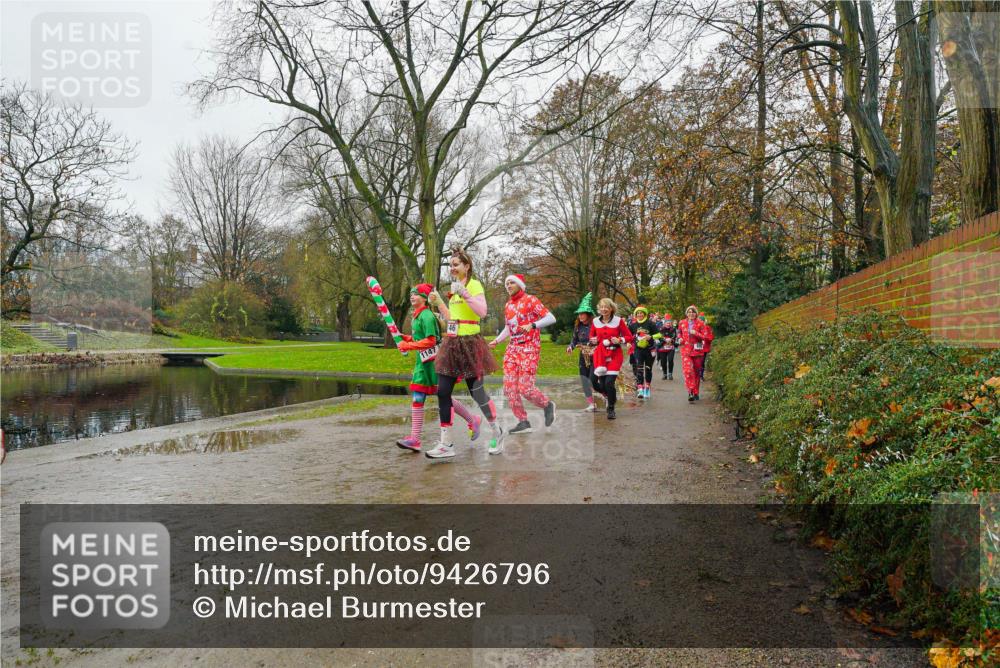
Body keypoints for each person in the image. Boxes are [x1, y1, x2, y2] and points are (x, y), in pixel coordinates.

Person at [426, 247, 503, 459]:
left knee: (477, 393)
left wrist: (464, 292)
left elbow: (482, 312)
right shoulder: (453, 288)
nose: (452, 268)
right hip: (452, 344)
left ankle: (497, 431)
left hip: (471, 344)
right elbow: (453, 318)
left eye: (456, 265)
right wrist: (439, 303)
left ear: (466, 266)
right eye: (450, 265)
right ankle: (446, 443)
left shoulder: (474, 284)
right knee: (442, 392)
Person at [395, 283, 482, 452]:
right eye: (411, 294)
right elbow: (419, 337)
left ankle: (472, 419)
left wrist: (408, 346)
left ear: (425, 299)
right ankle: (415, 439)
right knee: (418, 397)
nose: (412, 296)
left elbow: (431, 340)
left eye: (416, 294)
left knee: (443, 396)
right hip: (422, 364)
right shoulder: (417, 316)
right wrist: (406, 338)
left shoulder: (427, 315)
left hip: (434, 362)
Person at [489, 274, 557, 434]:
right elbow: (508, 328)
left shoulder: (531, 300)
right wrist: (497, 341)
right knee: (510, 389)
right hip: (513, 349)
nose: (508, 285)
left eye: (512, 282)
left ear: (520, 285)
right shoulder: (508, 305)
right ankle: (523, 421)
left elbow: (551, 318)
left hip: (530, 348)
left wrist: (533, 325)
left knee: (525, 388)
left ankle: (548, 405)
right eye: (506, 283)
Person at [589, 298, 633, 420]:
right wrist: (593, 340)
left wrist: (620, 340)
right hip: (600, 355)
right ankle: (609, 396)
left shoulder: (618, 321)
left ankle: (611, 408)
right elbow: (592, 336)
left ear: (611, 308)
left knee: (609, 383)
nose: (604, 309)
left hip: (614, 355)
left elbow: (629, 336)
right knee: (595, 382)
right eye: (601, 307)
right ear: (599, 309)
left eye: (606, 307)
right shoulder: (595, 321)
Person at [566, 293, 598, 412]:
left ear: (588, 314)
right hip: (583, 356)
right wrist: (570, 347)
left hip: (595, 356)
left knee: (592, 379)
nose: (580, 316)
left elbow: (602, 339)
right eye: (579, 314)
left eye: (582, 313)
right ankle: (591, 404)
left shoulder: (596, 325)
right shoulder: (578, 327)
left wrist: (595, 345)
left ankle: (605, 396)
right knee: (584, 380)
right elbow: (574, 340)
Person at [677, 304, 711, 401]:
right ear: (686, 313)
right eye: (689, 312)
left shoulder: (700, 323)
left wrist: (696, 333)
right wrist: (679, 338)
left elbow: (706, 337)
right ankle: (690, 391)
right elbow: (679, 332)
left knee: (696, 372)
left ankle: (696, 392)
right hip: (685, 350)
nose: (691, 314)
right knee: (688, 371)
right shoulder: (682, 322)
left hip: (697, 351)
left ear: (696, 314)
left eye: (693, 312)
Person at [628, 305, 661, 400]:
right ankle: (640, 389)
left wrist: (651, 337)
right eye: (637, 313)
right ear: (635, 315)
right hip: (638, 350)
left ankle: (647, 387)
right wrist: (628, 343)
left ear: (645, 314)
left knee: (648, 369)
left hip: (650, 349)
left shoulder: (650, 323)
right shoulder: (633, 325)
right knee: (639, 368)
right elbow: (628, 336)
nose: (639, 314)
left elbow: (659, 334)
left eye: (641, 313)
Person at [658, 314, 678, 380]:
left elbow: (675, 337)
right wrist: (664, 339)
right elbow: (659, 337)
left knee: (670, 360)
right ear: (664, 323)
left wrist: (671, 339)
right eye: (667, 323)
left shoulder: (673, 329)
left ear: (671, 323)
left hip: (670, 347)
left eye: (669, 323)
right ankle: (664, 374)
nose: (668, 324)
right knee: (663, 362)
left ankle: (670, 374)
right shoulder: (661, 329)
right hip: (662, 348)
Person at [698, 313, 715, 380]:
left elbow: (711, 337)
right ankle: (696, 374)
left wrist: (705, 338)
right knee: (696, 361)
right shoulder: (695, 327)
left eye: (702, 321)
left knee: (702, 361)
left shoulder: (708, 328)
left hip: (704, 347)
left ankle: (701, 375)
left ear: (704, 322)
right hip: (697, 346)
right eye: (700, 321)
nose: (701, 322)